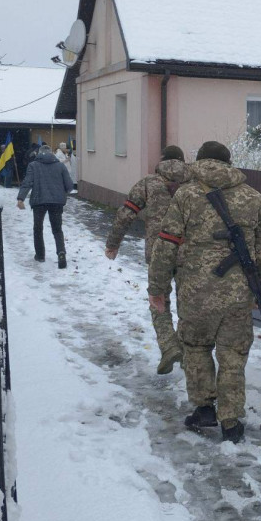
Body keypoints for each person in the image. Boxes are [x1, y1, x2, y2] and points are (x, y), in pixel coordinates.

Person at [147, 141, 261, 444]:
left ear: (199, 161)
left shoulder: (186, 195)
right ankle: (230, 421)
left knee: (196, 347)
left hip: (195, 291)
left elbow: (166, 243)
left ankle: (204, 408)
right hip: (239, 292)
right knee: (232, 353)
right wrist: (260, 291)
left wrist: (157, 288)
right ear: (229, 163)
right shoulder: (253, 198)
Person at [105, 145, 192, 375]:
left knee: (158, 298)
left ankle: (168, 345)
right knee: (188, 304)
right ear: (184, 161)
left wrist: (113, 244)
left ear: (162, 160)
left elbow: (126, 214)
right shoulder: (195, 185)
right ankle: (188, 353)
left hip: (158, 252)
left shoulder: (148, 184)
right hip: (189, 254)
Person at [16, 144, 74, 268]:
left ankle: (40, 255)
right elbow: (69, 186)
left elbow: (27, 183)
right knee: (57, 229)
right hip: (57, 202)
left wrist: (21, 198)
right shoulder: (60, 165)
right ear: (51, 154)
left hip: (39, 200)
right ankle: (61, 252)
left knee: (38, 228)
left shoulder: (33, 165)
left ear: (39, 153)